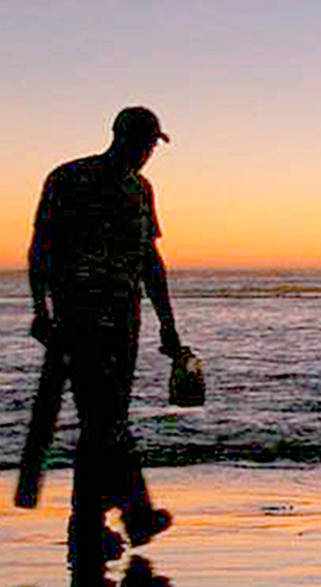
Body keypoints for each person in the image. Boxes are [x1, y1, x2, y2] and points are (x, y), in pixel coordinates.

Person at [28, 106, 184, 562]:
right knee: (104, 419)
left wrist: (168, 324)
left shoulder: (141, 189)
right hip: (79, 318)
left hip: (124, 320)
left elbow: (150, 262)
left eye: (151, 145)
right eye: (145, 143)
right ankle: (119, 516)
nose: (148, 152)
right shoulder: (68, 178)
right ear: (121, 137)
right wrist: (41, 310)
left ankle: (104, 521)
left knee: (105, 420)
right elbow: (41, 248)